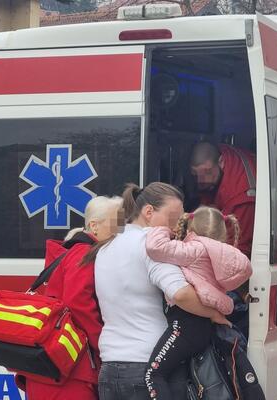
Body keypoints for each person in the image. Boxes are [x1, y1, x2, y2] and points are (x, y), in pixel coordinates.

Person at [94, 182, 230, 400]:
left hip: (109, 368)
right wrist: (214, 313)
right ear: (149, 212)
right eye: (172, 218)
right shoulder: (152, 247)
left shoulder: (106, 247)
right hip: (151, 366)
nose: (177, 227)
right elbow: (180, 293)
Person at [144, 206, 252, 400]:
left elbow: (155, 248)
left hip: (185, 326)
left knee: (153, 374)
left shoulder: (194, 250)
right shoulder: (224, 257)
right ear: (223, 232)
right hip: (201, 327)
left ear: (191, 227)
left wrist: (163, 227)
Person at [24, 196, 123, 400]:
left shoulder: (73, 251)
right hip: (72, 370)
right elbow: (78, 304)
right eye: (117, 223)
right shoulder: (85, 254)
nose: (121, 231)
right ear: (94, 226)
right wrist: (105, 346)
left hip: (56, 366)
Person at [189, 142, 256, 257]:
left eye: (207, 171)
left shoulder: (242, 195)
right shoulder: (216, 155)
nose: (201, 180)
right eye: (195, 173)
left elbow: (240, 249)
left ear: (221, 162)